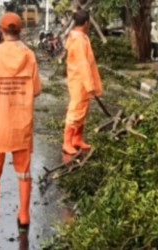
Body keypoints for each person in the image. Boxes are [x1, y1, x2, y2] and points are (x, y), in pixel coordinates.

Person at [0, 12, 41, 228]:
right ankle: (24, 215)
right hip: (21, 123)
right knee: (23, 170)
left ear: (1, 31)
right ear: (20, 30)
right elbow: (37, 89)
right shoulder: (29, 55)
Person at [62, 10, 103, 155]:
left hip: (81, 81)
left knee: (82, 110)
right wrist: (89, 85)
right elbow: (82, 64)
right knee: (75, 111)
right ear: (86, 23)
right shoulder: (78, 40)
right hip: (80, 81)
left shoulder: (80, 37)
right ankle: (67, 143)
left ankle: (77, 139)